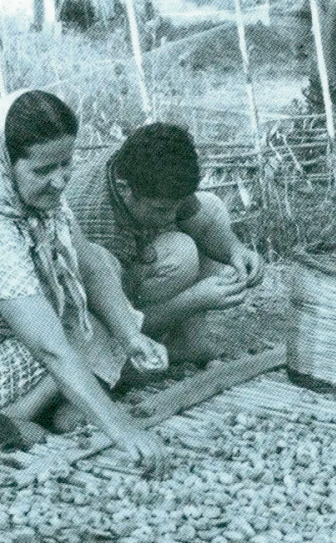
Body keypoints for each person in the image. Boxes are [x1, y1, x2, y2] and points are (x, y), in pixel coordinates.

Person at [0, 90, 167, 475]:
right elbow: (50, 347)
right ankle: (8, 416)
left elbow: (89, 266)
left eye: (66, 163)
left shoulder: (35, 200)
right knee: (79, 332)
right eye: (42, 170)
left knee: (103, 278)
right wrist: (124, 431)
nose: (59, 181)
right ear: (5, 163)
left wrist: (130, 334)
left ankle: (54, 404)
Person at [64, 122, 265, 364]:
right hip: (93, 323)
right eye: (161, 210)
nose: (171, 217)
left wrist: (236, 250)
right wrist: (194, 300)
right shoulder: (95, 224)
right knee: (182, 252)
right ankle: (146, 354)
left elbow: (200, 223)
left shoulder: (147, 165)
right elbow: (115, 321)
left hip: (132, 252)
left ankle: (188, 341)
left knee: (210, 206)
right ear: (124, 189)